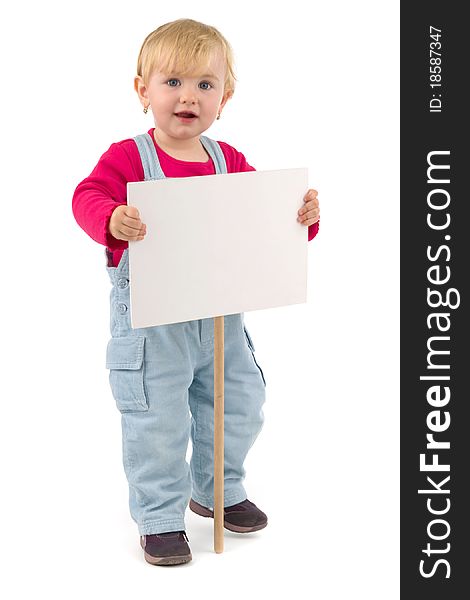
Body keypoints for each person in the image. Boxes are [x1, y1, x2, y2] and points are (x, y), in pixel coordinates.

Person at [72, 18, 320, 567]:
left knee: (238, 404)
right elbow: (85, 196)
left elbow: (267, 220)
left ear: (224, 98)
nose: (189, 97)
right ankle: (160, 518)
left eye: (205, 85)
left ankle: (218, 491)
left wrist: (301, 216)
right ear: (144, 90)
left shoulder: (227, 160)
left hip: (220, 317)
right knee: (157, 418)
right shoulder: (128, 157)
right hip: (153, 323)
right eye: (173, 83)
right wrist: (111, 218)